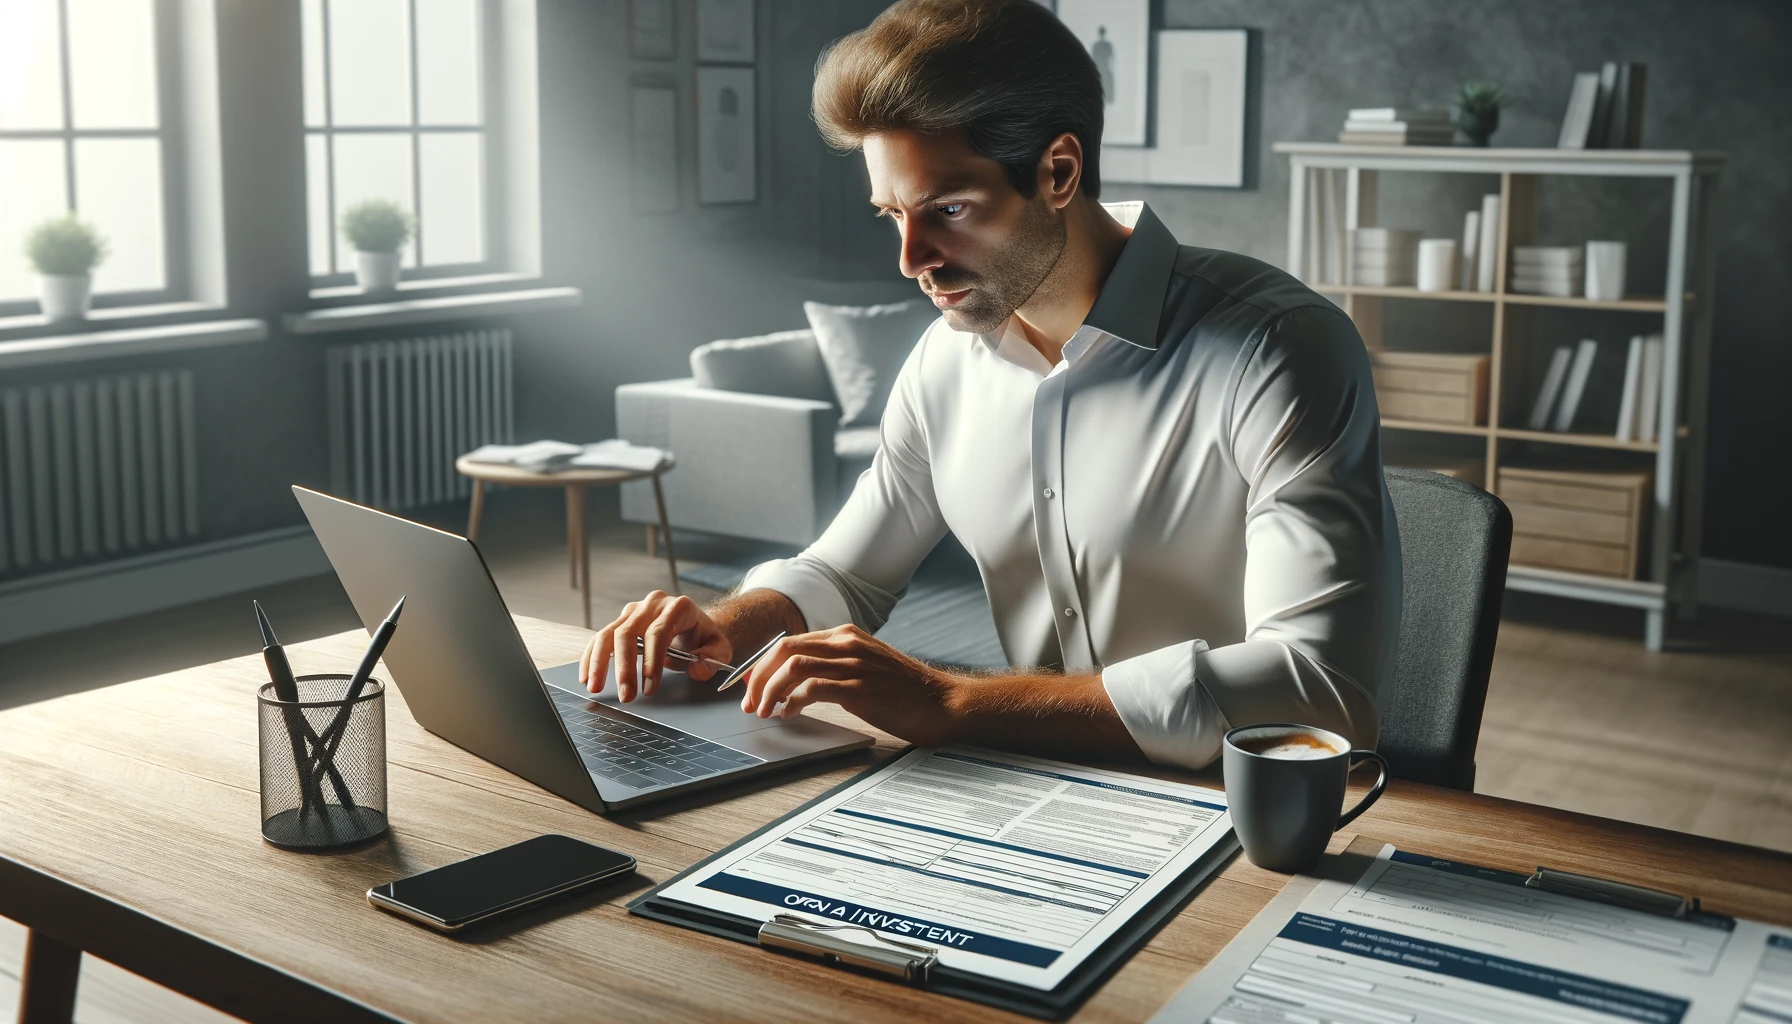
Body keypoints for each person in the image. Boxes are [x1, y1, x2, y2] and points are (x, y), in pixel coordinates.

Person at [580, 0, 1401, 770]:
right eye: (892, 215)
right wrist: (724, 626)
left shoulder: (1277, 349)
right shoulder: (945, 361)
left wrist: (954, 702)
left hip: (1238, 809)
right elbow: (848, 574)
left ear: (1058, 170)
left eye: (948, 209)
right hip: (1024, 789)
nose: (912, 260)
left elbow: (1317, 690)